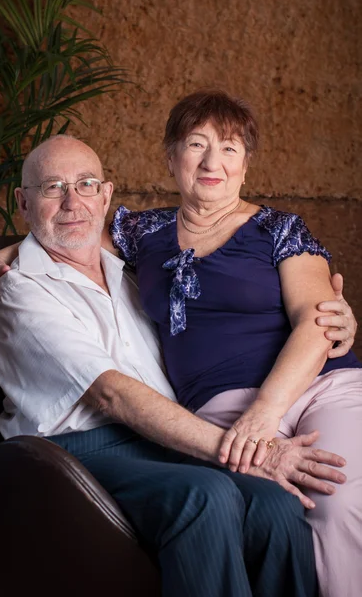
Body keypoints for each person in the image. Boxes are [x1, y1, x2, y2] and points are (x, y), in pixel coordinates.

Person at [0, 134, 329, 597]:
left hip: (158, 439)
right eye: (52, 188)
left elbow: (239, 315)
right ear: (23, 204)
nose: (73, 202)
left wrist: (330, 310)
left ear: (106, 196)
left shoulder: (131, 273)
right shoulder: (21, 290)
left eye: (86, 184)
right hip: (69, 455)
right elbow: (114, 394)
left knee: (275, 503)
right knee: (205, 496)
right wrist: (250, 452)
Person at [104, 89, 362, 597]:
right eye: (196, 144)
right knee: (276, 511)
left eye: (229, 148)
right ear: (170, 155)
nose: (211, 162)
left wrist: (265, 413)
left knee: (337, 502)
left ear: (246, 163)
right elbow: (65, 236)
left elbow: (317, 322)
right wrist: (6, 260)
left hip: (317, 387)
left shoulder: (280, 229)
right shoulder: (140, 231)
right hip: (216, 411)